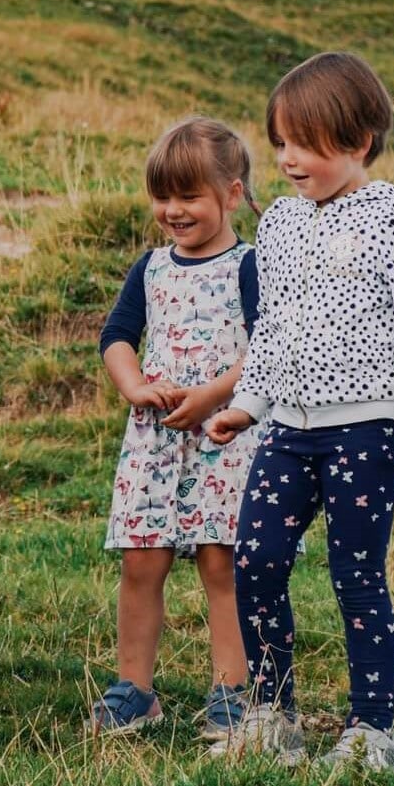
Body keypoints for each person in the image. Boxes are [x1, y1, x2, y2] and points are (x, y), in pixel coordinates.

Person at [205, 52, 394, 772]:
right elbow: (272, 328)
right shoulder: (278, 224)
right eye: (279, 142)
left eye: (305, 144)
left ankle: (369, 730)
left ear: (357, 141)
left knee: (355, 574)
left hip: (366, 428)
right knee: (254, 559)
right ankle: (269, 713)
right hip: (286, 428)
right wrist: (247, 405)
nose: (287, 159)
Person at [93, 117, 263, 739]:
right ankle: (134, 689)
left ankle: (232, 691)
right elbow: (117, 337)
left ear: (232, 194)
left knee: (223, 564)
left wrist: (214, 396)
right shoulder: (151, 268)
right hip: (156, 439)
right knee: (142, 562)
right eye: (163, 197)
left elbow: (264, 348)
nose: (173, 210)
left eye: (189, 196)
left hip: (225, 434)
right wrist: (135, 386)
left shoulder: (250, 266)